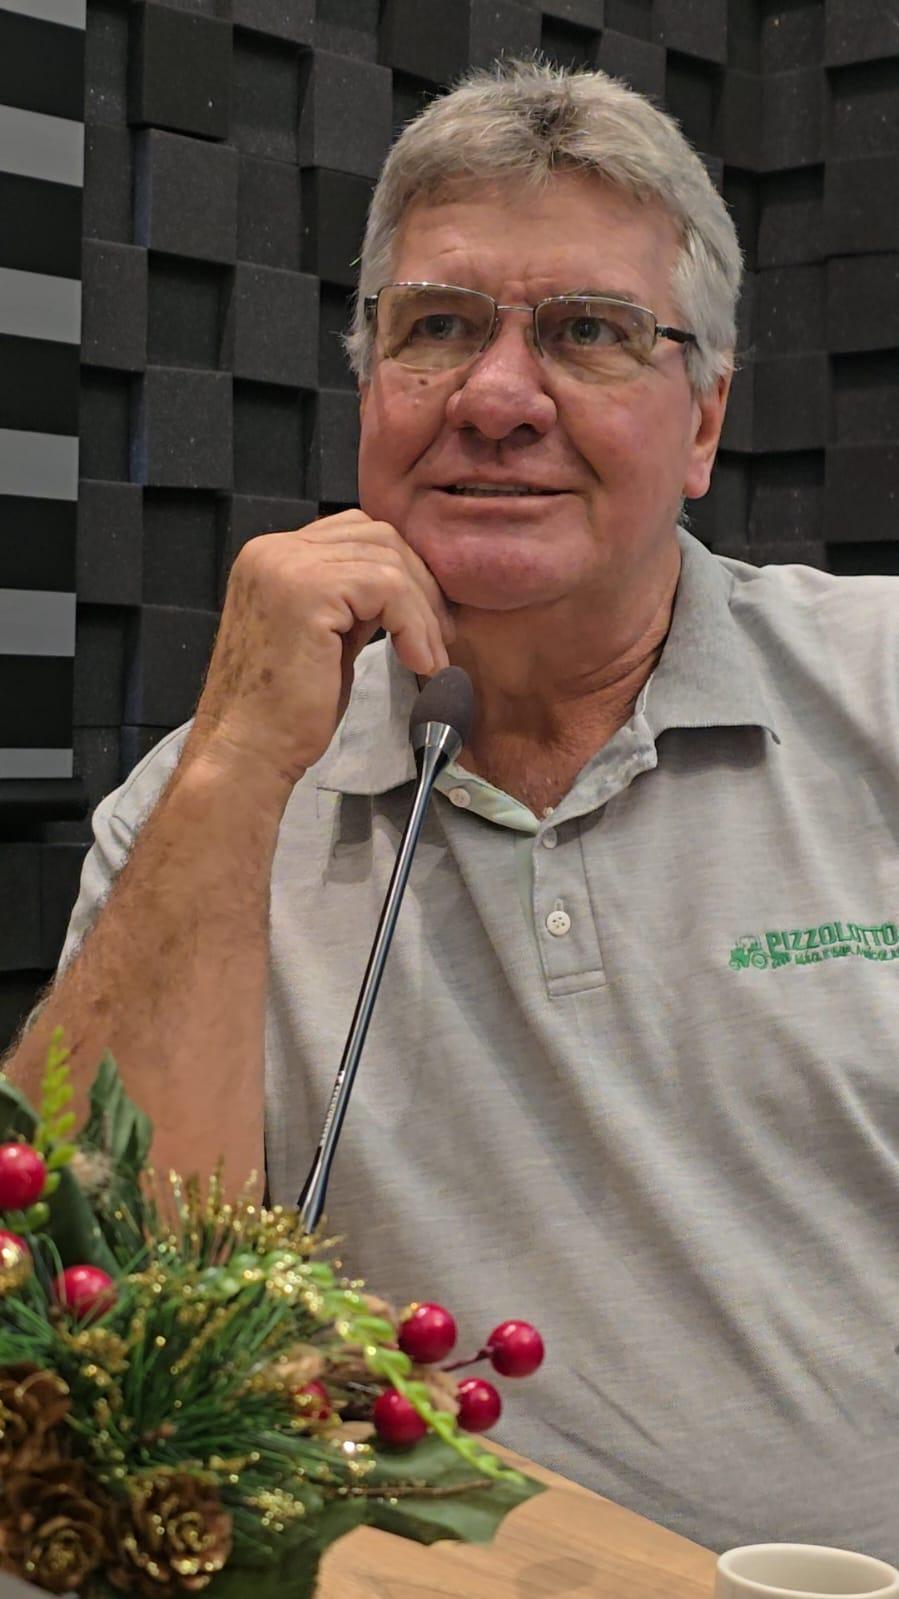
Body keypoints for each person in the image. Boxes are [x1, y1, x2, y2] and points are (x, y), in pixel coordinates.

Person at [5, 60, 899, 1560]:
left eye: (590, 332)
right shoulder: (198, 806)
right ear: (370, 393)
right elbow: (78, 1344)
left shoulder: (882, 692)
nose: (495, 398)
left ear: (704, 421)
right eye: (436, 329)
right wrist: (234, 771)